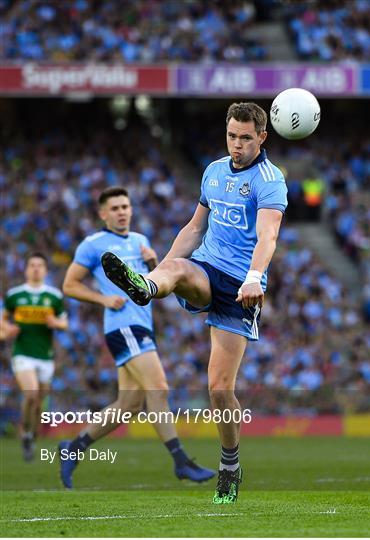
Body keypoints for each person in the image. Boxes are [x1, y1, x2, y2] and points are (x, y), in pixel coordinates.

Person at [101, 102, 288, 504]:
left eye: (244, 138)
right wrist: (162, 268)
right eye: (231, 136)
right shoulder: (214, 171)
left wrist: (255, 278)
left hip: (241, 285)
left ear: (262, 138)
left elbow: (267, 236)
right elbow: (194, 227)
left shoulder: (270, 181)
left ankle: (230, 465)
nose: (236, 145)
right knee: (181, 270)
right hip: (206, 268)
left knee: (220, 391)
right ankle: (146, 286)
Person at [60, 186, 214, 489]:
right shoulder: (93, 244)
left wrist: (155, 262)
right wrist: (103, 300)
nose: (121, 212)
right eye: (115, 208)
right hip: (122, 325)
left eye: (125, 206)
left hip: (142, 325)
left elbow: (153, 286)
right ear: (103, 213)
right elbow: (69, 285)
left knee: (128, 405)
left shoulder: (141, 241)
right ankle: (181, 461)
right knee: (159, 387)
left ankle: (73, 448)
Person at [1, 253, 68, 461]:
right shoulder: (15, 295)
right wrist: (7, 329)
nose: (36, 268)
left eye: (40, 265)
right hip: (23, 353)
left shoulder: (54, 296)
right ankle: (25, 434)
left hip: (45, 356)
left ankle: (30, 435)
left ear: (46, 270)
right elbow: (2, 320)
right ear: (26, 269)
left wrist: (55, 323)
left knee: (39, 402)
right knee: (31, 394)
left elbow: (64, 323)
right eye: (32, 265)